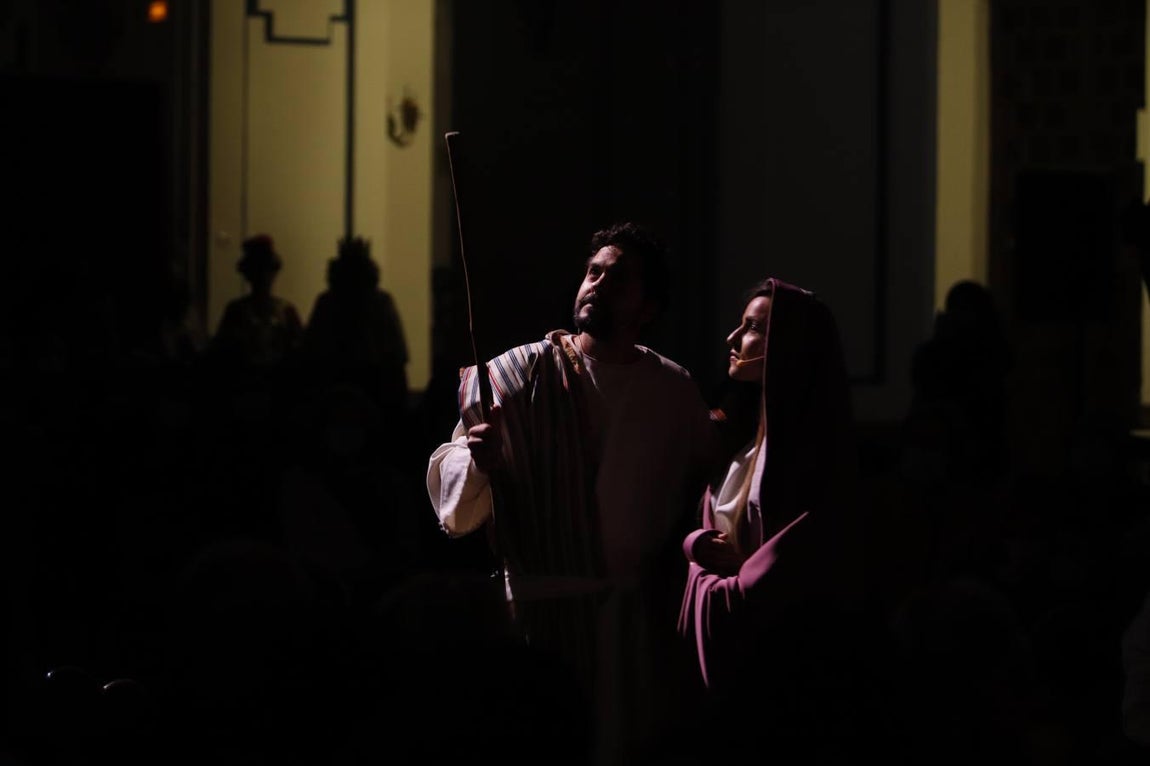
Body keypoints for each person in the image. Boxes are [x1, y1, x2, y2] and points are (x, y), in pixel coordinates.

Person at [426, 221, 718, 766]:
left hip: (633, 629)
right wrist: (478, 459)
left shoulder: (673, 392)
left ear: (648, 307)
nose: (597, 284)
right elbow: (454, 502)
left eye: (619, 278)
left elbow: (701, 496)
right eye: (593, 271)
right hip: (537, 624)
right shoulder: (515, 375)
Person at [676, 277, 878, 761]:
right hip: (729, 653)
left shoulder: (812, 459)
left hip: (777, 664)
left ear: (788, 346)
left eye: (752, 329)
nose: (733, 340)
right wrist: (697, 546)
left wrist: (721, 583)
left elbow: (791, 569)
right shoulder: (740, 443)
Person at [208, 234, 304, 370]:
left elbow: (300, 353)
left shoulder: (287, 311)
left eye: (266, 270)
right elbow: (222, 353)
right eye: (258, 270)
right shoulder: (236, 311)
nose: (264, 277)